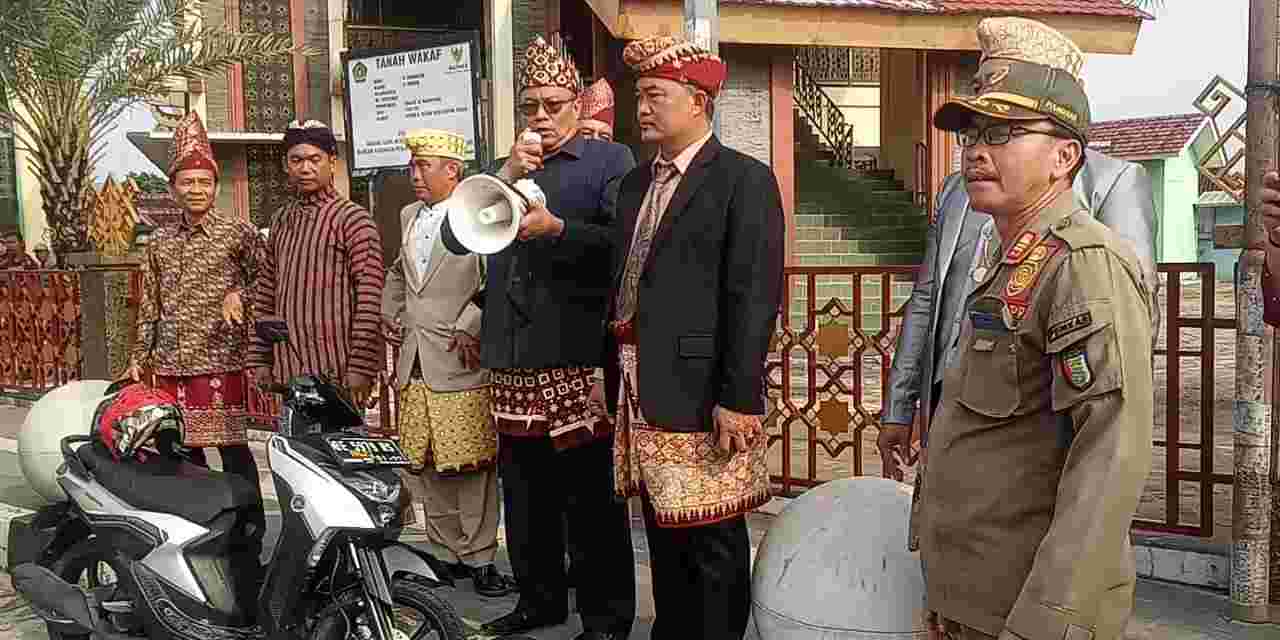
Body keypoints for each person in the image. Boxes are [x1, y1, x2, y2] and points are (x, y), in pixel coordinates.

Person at [917, 17, 1154, 640]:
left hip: (1029, 612)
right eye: (971, 132)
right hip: (975, 598)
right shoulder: (1012, 259)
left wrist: (1047, 622)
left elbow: (1110, 456)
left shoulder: (1082, 264)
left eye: (1004, 132)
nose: (975, 149)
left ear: (1064, 156)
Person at [439, 36, 636, 639]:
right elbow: (455, 239)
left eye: (553, 104)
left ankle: (605, 619)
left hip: (577, 356)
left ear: (576, 103)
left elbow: (623, 247)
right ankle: (538, 600)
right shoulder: (505, 166)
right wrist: (503, 174)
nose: (542, 117)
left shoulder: (610, 163)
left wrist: (557, 230)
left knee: (590, 498)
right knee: (526, 498)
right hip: (513, 357)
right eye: (531, 106)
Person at [599, 34, 784, 640]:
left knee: (712, 534)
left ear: (699, 100)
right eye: (639, 96)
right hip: (637, 382)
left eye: (656, 95)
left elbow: (752, 296)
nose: (642, 108)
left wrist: (739, 396)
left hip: (704, 391)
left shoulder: (742, 180)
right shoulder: (632, 186)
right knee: (661, 526)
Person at [123, 111, 265, 604]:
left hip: (221, 362)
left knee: (233, 453)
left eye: (205, 181)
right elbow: (151, 304)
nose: (197, 189)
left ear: (216, 186)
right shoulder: (159, 243)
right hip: (171, 363)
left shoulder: (238, 233)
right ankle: (196, 536)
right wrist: (137, 358)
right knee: (181, 456)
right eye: (188, 182)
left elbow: (264, 281)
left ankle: (249, 535)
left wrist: (239, 294)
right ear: (174, 188)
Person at [381, 128, 512, 598]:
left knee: (472, 466)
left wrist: (471, 322)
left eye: (424, 166)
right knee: (426, 464)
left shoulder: (478, 213)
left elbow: (495, 277)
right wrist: (388, 310)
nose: (414, 175)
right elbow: (400, 270)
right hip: (414, 359)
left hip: (461, 360)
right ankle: (444, 554)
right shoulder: (407, 214)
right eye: (412, 166)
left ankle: (480, 558)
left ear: (452, 170)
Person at [247, 120, 384, 407]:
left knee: (338, 450)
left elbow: (370, 300)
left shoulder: (354, 220)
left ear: (332, 162)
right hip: (289, 372)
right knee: (294, 451)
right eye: (296, 160)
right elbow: (265, 296)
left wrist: (361, 366)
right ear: (286, 165)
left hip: (338, 373)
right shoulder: (281, 220)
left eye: (314, 159)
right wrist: (260, 358)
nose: (305, 168)